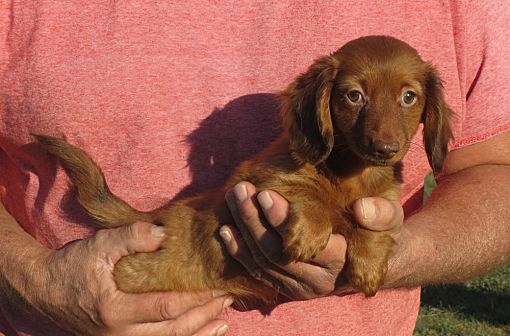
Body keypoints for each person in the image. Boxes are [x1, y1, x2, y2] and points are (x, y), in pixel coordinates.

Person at [0, 1, 508, 335]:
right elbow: (280, 182)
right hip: (140, 274)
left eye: (407, 100)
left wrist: (399, 253)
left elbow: (495, 168)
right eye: (354, 97)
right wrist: (36, 282)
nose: (383, 133)